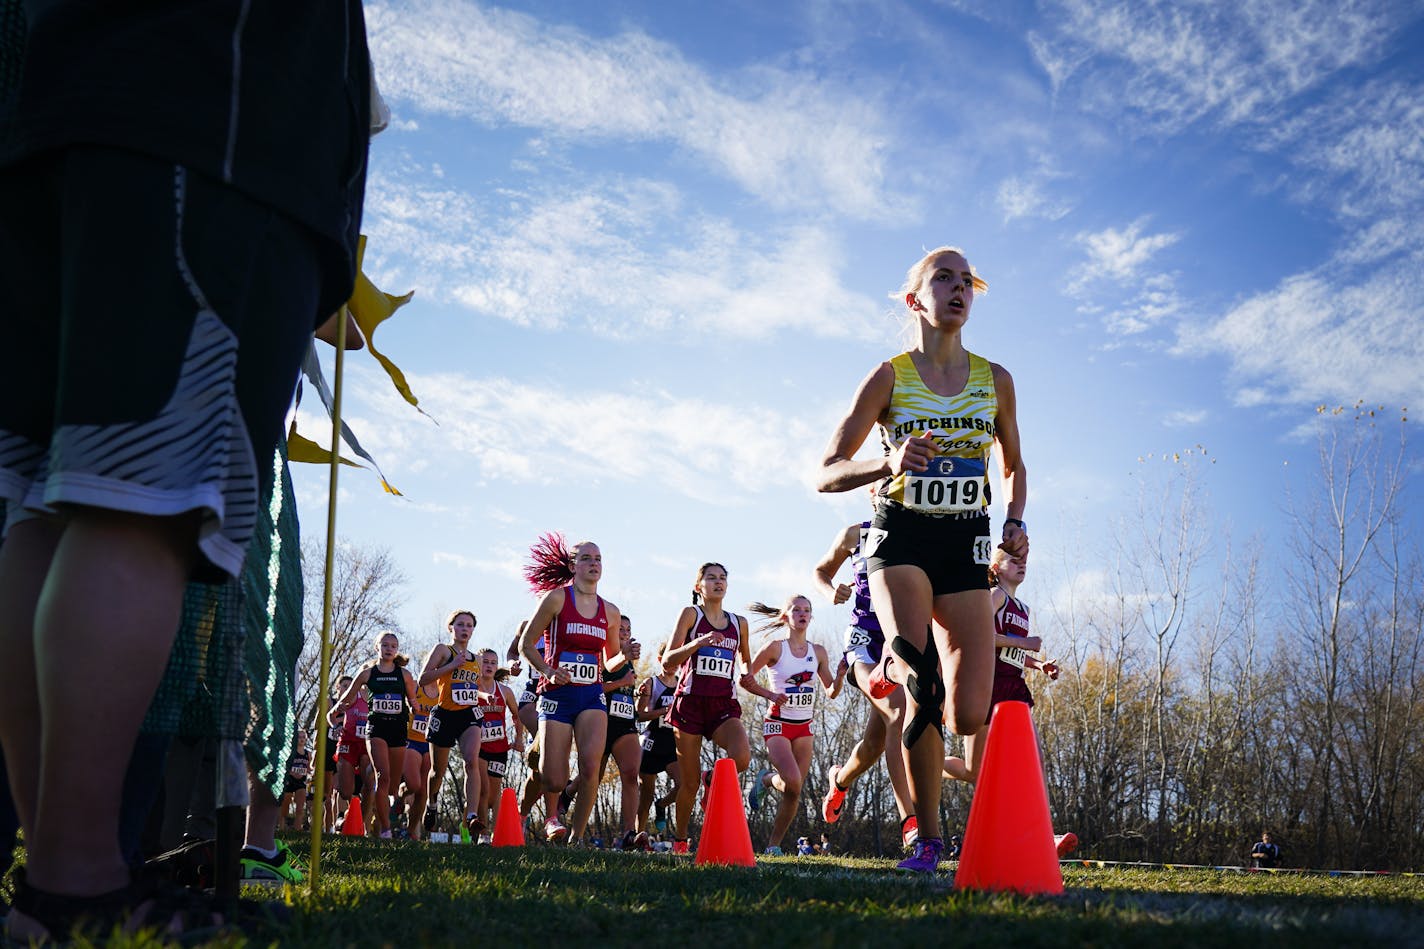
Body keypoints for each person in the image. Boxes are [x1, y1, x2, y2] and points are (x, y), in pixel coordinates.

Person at [0, 2, 371, 939]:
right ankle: (77, 881)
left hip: (67, 115)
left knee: (43, 507)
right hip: (214, 113)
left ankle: (55, 874)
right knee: (138, 504)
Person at [815, 246, 1028, 874]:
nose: (959, 289)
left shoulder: (997, 381)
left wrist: (1014, 522)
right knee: (918, 676)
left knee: (968, 711)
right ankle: (928, 838)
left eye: (968, 282)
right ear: (915, 299)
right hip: (900, 536)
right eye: (945, 278)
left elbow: (1014, 467)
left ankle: (939, 807)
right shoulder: (889, 376)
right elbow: (826, 472)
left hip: (967, 544)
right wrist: (888, 460)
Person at [941, 548, 1075, 857]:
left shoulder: (1023, 608)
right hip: (984, 685)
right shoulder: (995, 595)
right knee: (974, 772)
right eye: (1014, 561)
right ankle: (925, 763)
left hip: (1014, 687)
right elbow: (977, 633)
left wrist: (1036, 663)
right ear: (997, 568)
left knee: (1034, 759)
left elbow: (1008, 650)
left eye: (1025, 560)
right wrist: (1023, 642)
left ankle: (1043, 834)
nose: (1022, 564)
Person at [812, 513, 918, 851]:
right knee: (898, 711)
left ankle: (839, 779)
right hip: (864, 641)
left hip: (900, 640)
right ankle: (910, 823)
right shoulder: (854, 534)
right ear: (872, 489)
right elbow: (821, 571)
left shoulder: (923, 529)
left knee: (874, 744)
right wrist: (830, 592)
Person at [520, 535, 630, 844]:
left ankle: (577, 840)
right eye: (586, 558)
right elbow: (526, 644)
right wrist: (548, 671)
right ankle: (539, 747)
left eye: (598, 559)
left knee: (590, 766)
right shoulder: (557, 599)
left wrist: (626, 655)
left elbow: (609, 663)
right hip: (556, 695)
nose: (593, 564)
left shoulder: (610, 611)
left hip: (591, 695)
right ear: (573, 565)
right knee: (553, 778)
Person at [662, 563, 753, 853]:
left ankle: (711, 779)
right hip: (689, 703)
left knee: (742, 756)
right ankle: (680, 838)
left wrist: (749, 674)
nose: (718, 582)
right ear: (698, 586)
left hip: (722, 704)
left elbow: (747, 660)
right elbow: (667, 661)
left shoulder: (739, 623)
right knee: (688, 785)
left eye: (723, 578)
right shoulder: (691, 614)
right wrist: (697, 643)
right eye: (711, 578)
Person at [744, 595, 844, 856]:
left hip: (804, 727)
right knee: (794, 780)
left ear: (811, 617)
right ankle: (766, 779)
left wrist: (842, 675)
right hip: (777, 724)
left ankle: (773, 845)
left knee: (794, 790)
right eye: (797, 610)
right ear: (785, 616)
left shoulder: (818, 652)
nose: (802, 614)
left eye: (807, 610)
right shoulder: (775, 648)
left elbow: (831, 691)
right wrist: (771, 696)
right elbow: (746, 679)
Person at [566, 615, 647, 851]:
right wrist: (620, 681)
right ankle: (569, 792)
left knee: (632, 774)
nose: (623, 632)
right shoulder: (601, 654)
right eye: (619, 629)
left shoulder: (630, 656)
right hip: (599, 720)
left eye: (627, 629)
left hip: (624, 722)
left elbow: (626, 688)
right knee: (592, 777)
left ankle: (629, 833)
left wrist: (637, 693)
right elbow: (592, 687)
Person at [333, 632, 416, 839]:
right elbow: (349, 694)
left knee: (393, 785)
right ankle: (386, 829)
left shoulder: (404, 675)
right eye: (385, 645)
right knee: (383, 777)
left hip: (397, 729)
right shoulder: (368, 674)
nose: (389, 649)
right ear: (376, 647)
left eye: (393, 646)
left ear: (397, 650)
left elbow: (413, 700)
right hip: (376, 729)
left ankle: (384, 814)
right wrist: (337, 707)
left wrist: (418, 709)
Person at [420, 610, 485, 839]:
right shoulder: (443, 650)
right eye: (460, 624)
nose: (465, 629)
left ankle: (472, 815)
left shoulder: (476, 659)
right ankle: (432, 802)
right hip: (444, 714)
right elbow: (424, 679)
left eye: (469, 625)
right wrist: (451, 665)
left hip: (468, 715)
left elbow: (473, 689)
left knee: (471, 761)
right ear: (451, 628)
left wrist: (486, 696)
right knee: (437, 771)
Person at [473, 648, 523, 842]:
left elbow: (517, 716)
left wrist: (518, 739)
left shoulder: (505, 691)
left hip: (500, 748)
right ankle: (484, 836)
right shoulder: (472, 688)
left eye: (493, 663)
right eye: (485, 662)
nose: (489, 666)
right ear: (478, 664)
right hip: (478, 747)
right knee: (483, 790)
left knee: (494, 797)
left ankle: (495, 832)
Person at [635, 643, 681, 838]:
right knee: (646, 796)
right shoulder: (652, 683)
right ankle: (639, 835)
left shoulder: (682, 683)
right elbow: (639, 715)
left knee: (684, 784)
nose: (673, 665)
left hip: (672, 742)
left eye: (676, 661)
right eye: (668, 660)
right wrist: (664, 711)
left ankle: (662, 804)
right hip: (651, 741)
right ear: (660, 659)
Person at [399, 673, 441, 841]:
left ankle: (410, 832)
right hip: (411, 741)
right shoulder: (415, 686)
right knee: (414, 784)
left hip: (430, 744)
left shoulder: (443, 691)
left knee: (424, 791)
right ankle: (401, 795)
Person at [280, 731, 312, 832]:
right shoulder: (290, 752)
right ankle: (281, 828)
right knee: (285, 806)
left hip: (301, 782)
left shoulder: (308, 754)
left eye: (303, 737)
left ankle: (297, 830)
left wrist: (310, 774)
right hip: (289, 780)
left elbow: (310, 768)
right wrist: (292, 772)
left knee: (300, 807)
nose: (301, 739)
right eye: (299, 737)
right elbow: (284, 766)